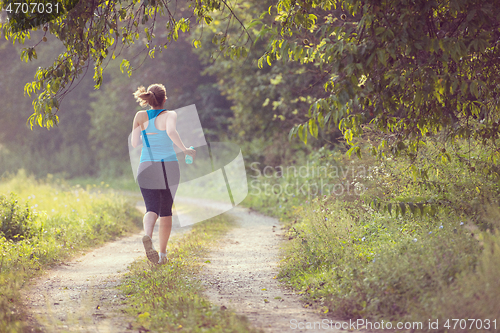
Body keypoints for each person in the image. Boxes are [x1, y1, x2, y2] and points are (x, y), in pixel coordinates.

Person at [131, 83, 196, 265]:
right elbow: (171, 131)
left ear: (149, 99)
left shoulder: (139, 116)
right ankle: (162, 255)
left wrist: (146, 134)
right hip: (168, 167)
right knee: (166, 211)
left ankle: (147, 235)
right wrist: (184, 149)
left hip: (146, 166)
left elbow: (135, 143)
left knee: (151, 208)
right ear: (164, 99)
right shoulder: (170, 114)